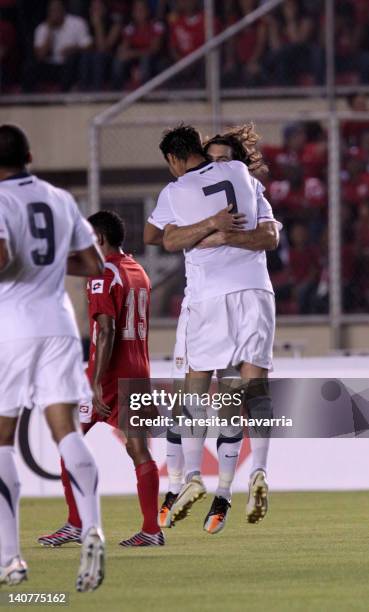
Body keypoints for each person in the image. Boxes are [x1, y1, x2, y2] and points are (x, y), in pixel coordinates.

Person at [145, 124, 279, 530]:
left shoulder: (176, 191)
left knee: (194, 388)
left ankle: (190, 479)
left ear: (173, 158)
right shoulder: (242, 174)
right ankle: (259, 470)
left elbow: (164, 240)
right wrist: (221, 227)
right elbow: (266, 235)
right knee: (251, 388)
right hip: (256, 291)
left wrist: (208, 232)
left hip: (209, 298)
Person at [0, 125, 105, 591]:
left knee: (1, 442)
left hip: (13, 327)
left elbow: (2, 257)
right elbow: (93, 264)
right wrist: (43, 263)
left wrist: (20, 260)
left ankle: (10, 559)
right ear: (30, 153)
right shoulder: (59, 197)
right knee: (65, 430)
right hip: (60, 325)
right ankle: (93, 527)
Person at [38, 210, 164, 548]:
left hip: (105, 376)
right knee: (139, 451)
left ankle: (77, 523)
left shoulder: (103, 274)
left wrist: (94, 382)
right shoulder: (137, 270)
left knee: (69, 441)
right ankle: (152, 529)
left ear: (100, 239)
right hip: (137, 372)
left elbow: (106, 330)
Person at [23, 0, 93, 92]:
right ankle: (29, 99)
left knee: (72, 61)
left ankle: (65, 95)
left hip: (71, 65)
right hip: (51, 66)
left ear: (63, 10)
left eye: (57, 9)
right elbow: (40, 56)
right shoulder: (42, 28)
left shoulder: (77, 23)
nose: (54, 13)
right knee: (30, 67)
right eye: (51, 10)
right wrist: (50, 31)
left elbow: (90, 46)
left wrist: (74, 49)